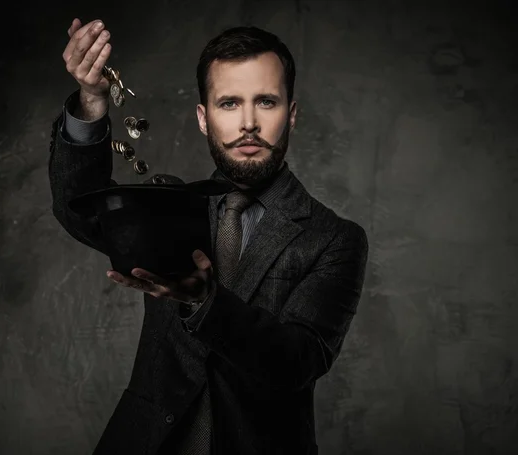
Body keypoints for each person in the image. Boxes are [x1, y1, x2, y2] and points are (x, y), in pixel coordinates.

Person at [48, 17, 369, 455]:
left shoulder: (333, 239)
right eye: (230, 103)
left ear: (291, 115)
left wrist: (206, 302)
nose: (249, 123)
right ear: (204, 118)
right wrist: (90, 101)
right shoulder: (169, 208)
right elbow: (78, 209)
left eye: (268, 102)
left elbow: (297, 362)